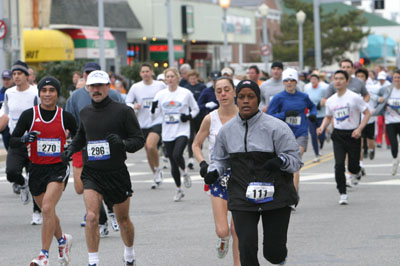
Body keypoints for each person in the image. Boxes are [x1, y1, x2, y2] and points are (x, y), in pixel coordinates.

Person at [206, 79, 302, 266]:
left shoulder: (277, 127)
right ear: (237, 99)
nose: (246, 101)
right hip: (243, 196)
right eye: (242, 97)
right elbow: (220, 160)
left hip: (276, 196)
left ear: (258, 99)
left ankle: (279, 257)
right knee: (246, 249)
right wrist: (214, 172)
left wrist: (280, 161)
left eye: (251, 97)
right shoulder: (227, 131)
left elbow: (295, 160)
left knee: (274, 254)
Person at [61, 70, 144, 266]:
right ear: (87, 88)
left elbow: (138, 140)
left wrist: (122, 143)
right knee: (91, 217)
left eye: (100, 86)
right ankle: (93, 261)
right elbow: (82, 136)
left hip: (116, 172)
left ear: (108, 87)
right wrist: (71, 149)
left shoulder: (123, 111)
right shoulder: (85, 112)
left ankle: (129, 254)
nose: (96, 90)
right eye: (93, 86)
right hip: (92, 173)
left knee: (123, 220)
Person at [10, 76, 76, 266]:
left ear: (57, 93)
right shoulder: (29, 115)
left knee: (47, 208)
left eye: (51, 90)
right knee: (49, 212)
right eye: (44, 90)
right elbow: (13, 140)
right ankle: (63, 241)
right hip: (36, 169)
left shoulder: (65, 116)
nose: (47, 94)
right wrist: (24, 139)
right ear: (39, 93)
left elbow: (81, 135)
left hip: (58, 168)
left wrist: (70, 148)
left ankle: (43, 255)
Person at [65, 62, 125, 233]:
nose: (90, 75)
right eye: (87, 73)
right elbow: (69, 120)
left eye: (94, 73)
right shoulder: (75, 97)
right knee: (82, 186)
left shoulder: (114, 95)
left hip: (109, 148)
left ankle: (105, 216)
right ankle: (104, 215)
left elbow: (124, 117)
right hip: (84, 146)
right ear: (83, 76)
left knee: (102, 183)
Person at [192, 77, 240, 265]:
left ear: (234, 92)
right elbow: (196, 145)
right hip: (217, 177)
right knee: (223, 230)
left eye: (227, 89)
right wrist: (203, 164)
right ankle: (223, 239)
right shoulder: (209, 118)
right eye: (219, 91)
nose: (223, 94)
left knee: (238, 230)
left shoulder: (245, 116)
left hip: (241, 176)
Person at [317, 70, 371, 205]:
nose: (338, 81)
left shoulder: (354, 97)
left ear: (347, 82)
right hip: (339, 135)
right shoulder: (330, 100)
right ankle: (342, 193)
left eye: (341, 79)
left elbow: (367, 113)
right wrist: (322, 127)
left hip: (353, 134)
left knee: (353, 166)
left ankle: (356, 171)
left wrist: (359, 129)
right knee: (339, 165)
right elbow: (329, 116)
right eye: (336, 79)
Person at [2, 60, 42, 224]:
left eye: (19, 74)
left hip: (33, 141)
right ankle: (22, 184)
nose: (16, 77)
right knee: (11, 172)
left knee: (36, 179)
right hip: (16, 140)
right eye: (14, 74)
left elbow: (42, 113)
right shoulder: (9, 93)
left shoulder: (35, 93)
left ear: (27, 76)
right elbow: (5, 113)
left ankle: (37, 212)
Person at [151, 67, 199, 201]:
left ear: (178, 78)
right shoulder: (160, 95)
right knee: (172, 161)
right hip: (167, 131)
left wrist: (188, 116)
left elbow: (195, 109)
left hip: (182, 129)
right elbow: (154, 116)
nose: (170, 79)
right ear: (165, 79)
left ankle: (184, 172)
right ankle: (179, 189)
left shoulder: (185, 93)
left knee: (177, 154)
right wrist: (153, 108)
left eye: (173, 76)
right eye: (168, 77)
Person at [268, 68, 317, 194]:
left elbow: (313, 107)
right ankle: (285, 190)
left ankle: (293, 195)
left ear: (296, 82)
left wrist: (313, 115)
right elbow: (269, 116)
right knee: (286, 165)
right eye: (286, 80)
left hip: (301, 133)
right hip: (284, 135)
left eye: (292, 80)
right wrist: (285, 114)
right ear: (283, 82)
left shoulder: (303, 97)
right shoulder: (278, 98)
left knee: (295, 161)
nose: (289, 83)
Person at [126, 63, 166, 189]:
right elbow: (127, 102)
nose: (145, 74)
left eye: (147, 71)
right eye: (143, 72)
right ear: (140, 74)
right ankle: (156, 172)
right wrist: (134, 106)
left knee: (150, 145)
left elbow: (168, 95)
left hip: (157, 121)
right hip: (142, 123)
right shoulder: (135, 87)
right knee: (148, 150)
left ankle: (157, 168)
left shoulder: (160, 85)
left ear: (152, 72)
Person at [374, 69, 400, 175]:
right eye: (395, 77)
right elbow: (373, 95)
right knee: (394, 144)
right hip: (390, 122)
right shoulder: (387, 89)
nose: (397, 79)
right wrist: (379, 99)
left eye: (399, 77)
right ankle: (395, 161)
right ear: (392, 79)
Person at [184, 69, 207, 170]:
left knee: (199, 137)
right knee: (190, 137)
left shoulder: (202, 87)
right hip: (190, 115)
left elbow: (205, 100)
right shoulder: (186, 88)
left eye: (194, 78)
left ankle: (198, 156)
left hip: (200, 116)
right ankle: (190, 159)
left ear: (197, 78)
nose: (192, 80)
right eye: (190, 78)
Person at [355, 68, 378, 161]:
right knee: (358, 143)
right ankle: (361, 165)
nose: (360, 78)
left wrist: (375, 109)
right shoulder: (353, 89)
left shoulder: (371, 88)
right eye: (358, 76)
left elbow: (378, 99)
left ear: (366, 78)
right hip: (358, 120)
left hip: (369, 119)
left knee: (370, 142)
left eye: (362, 76)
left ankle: (372, 149)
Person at [304, 73, 327, 162]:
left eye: (315, 79)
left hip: (321, 114)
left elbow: (326, 98)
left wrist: (320, 104)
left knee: (321, 134)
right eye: (311, 79)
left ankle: (321, 145)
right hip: (311, 116)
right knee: (313, 135)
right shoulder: (307, 89)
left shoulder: (322, 89)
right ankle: (316, 154)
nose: (313, 81)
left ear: (318, 80)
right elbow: (305, 100)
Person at [0, 70, 13, 150]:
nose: (6, 81)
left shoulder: (16, 92)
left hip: (11, 124)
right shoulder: (1, 93)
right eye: (4, 79)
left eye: (8, 79)